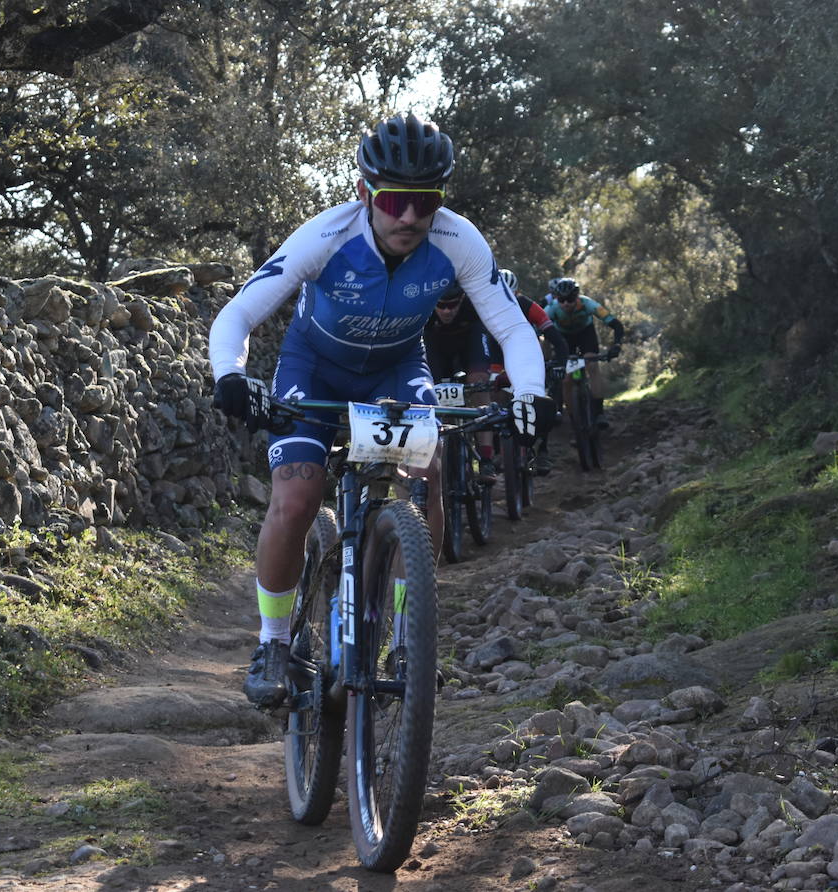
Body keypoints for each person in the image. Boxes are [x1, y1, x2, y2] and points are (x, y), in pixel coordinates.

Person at [207, 114, 555, 708]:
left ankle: (404, 635)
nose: (410, 218)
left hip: (397, 371)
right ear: (367, 193)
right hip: (312, 366)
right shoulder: (325, 236)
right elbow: (238, 315)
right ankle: (272, 640)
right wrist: (232, 376)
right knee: (296, 497)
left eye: (425, 202)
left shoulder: (459, 241)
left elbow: (513, 329)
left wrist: (529, 393)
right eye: (395, 200)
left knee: (430, 470)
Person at [487, 269, 569, 475]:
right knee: (494, 394)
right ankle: (497, 448)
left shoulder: (529, 306)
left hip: (527, 353)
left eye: (511, 295)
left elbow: (556, 339)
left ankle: (542, 450)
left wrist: (560, 364)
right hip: (497, 354)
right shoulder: (485, 306)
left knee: (541, 396)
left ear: (518, 293)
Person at [422, 283, 501, 483]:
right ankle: (444, 454)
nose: (447, 311)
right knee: (433, 386)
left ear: (462, 299)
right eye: (441, 305)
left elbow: (492, 339)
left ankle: (486, 457)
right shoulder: (424, 311)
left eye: (453, 305)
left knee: (478, 383)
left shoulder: (474, 307)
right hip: (437, 348)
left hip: (470, 344)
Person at [546, 277, 625, 427]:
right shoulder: (551, 309)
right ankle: (575, 422)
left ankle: (599, 412)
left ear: (577, 297)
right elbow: (536, 331)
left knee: (592, 365)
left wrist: (617, 345)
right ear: (557, 299)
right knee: (567, 379)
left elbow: (616, 324)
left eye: (570, 299)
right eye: (562, 300)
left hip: (585, 335)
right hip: (564, 340)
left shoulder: (588, 304)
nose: (566, 303)